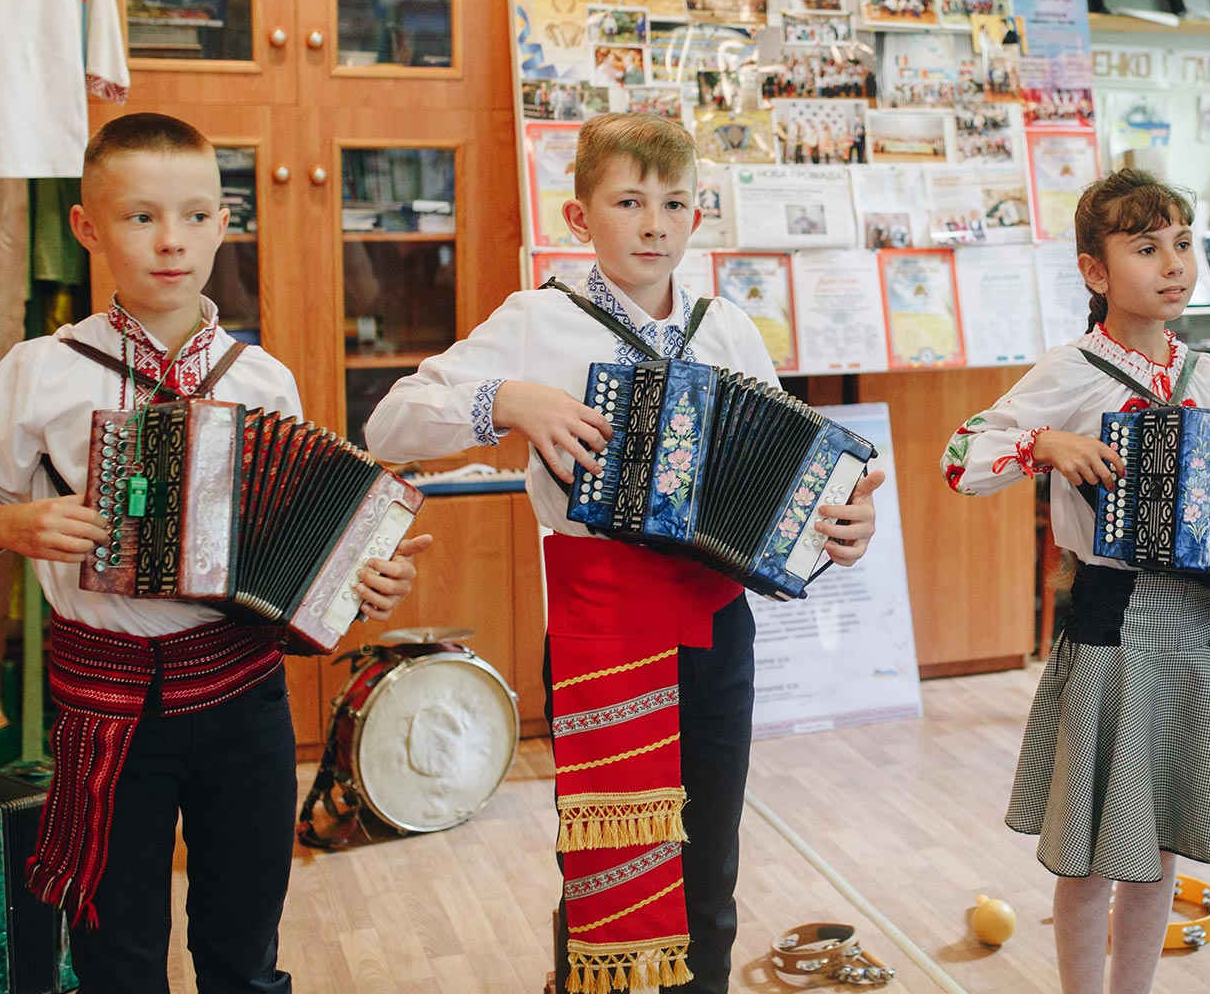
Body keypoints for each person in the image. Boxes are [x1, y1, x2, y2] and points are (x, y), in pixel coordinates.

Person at [364, 113, 885, 994]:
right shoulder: (538, 321)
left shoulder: (729, 331)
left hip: (720, 630)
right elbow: (390, 422)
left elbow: (793, 490)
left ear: (698, 213)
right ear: (579, 219)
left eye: (674, 203)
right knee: (605, 873)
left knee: (708, 867)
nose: (653, 224)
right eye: (628, 202)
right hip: (599, 627)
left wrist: (842, 528)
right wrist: (511, 399)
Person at [0, 111, 429, 993]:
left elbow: (300, 540)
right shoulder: (43, 368)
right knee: (119, 954)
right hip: (107, 706)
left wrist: (361, 578)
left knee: (244, 941)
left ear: (224, 223)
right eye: (139, 216)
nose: (170, 242)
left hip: (245, 702)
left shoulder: (262, 379)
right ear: (87, 227)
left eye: (195, 216)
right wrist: (9, 526)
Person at [942, 168, 1210, 994]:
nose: (1173, 264)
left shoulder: (1209, 379)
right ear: (1095, 272)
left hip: (1196, 639)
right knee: (1090, 859)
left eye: (1183, 244)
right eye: (1146, 248)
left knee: (1156, 852)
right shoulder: (1070, 371)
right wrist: (1041, 447)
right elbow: (959, 457)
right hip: (1114, 639)